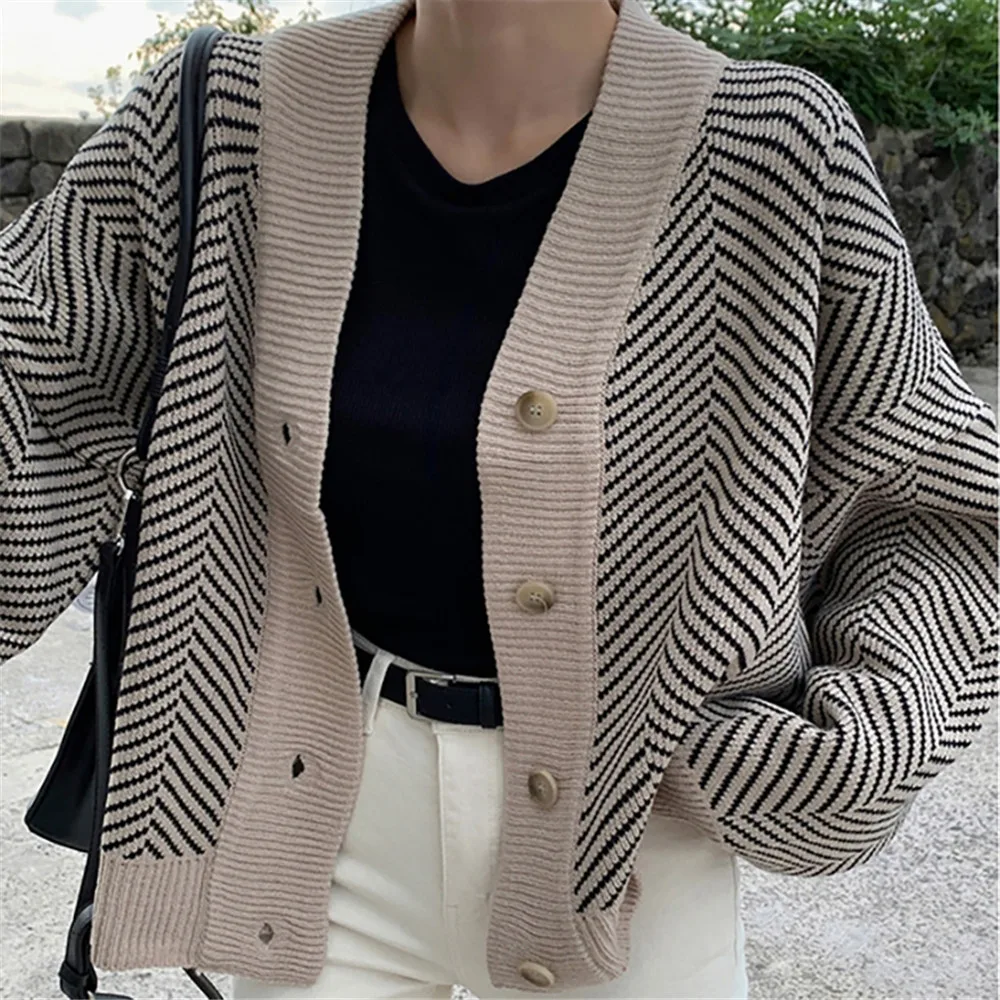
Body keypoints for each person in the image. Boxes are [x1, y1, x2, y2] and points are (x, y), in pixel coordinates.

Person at [1, 0, 996, 998]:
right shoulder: (227, 117)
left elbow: (936, 503)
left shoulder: (773, 148)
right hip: (321, 821)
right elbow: (31, 380)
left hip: (632, 839)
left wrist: (852, 744)